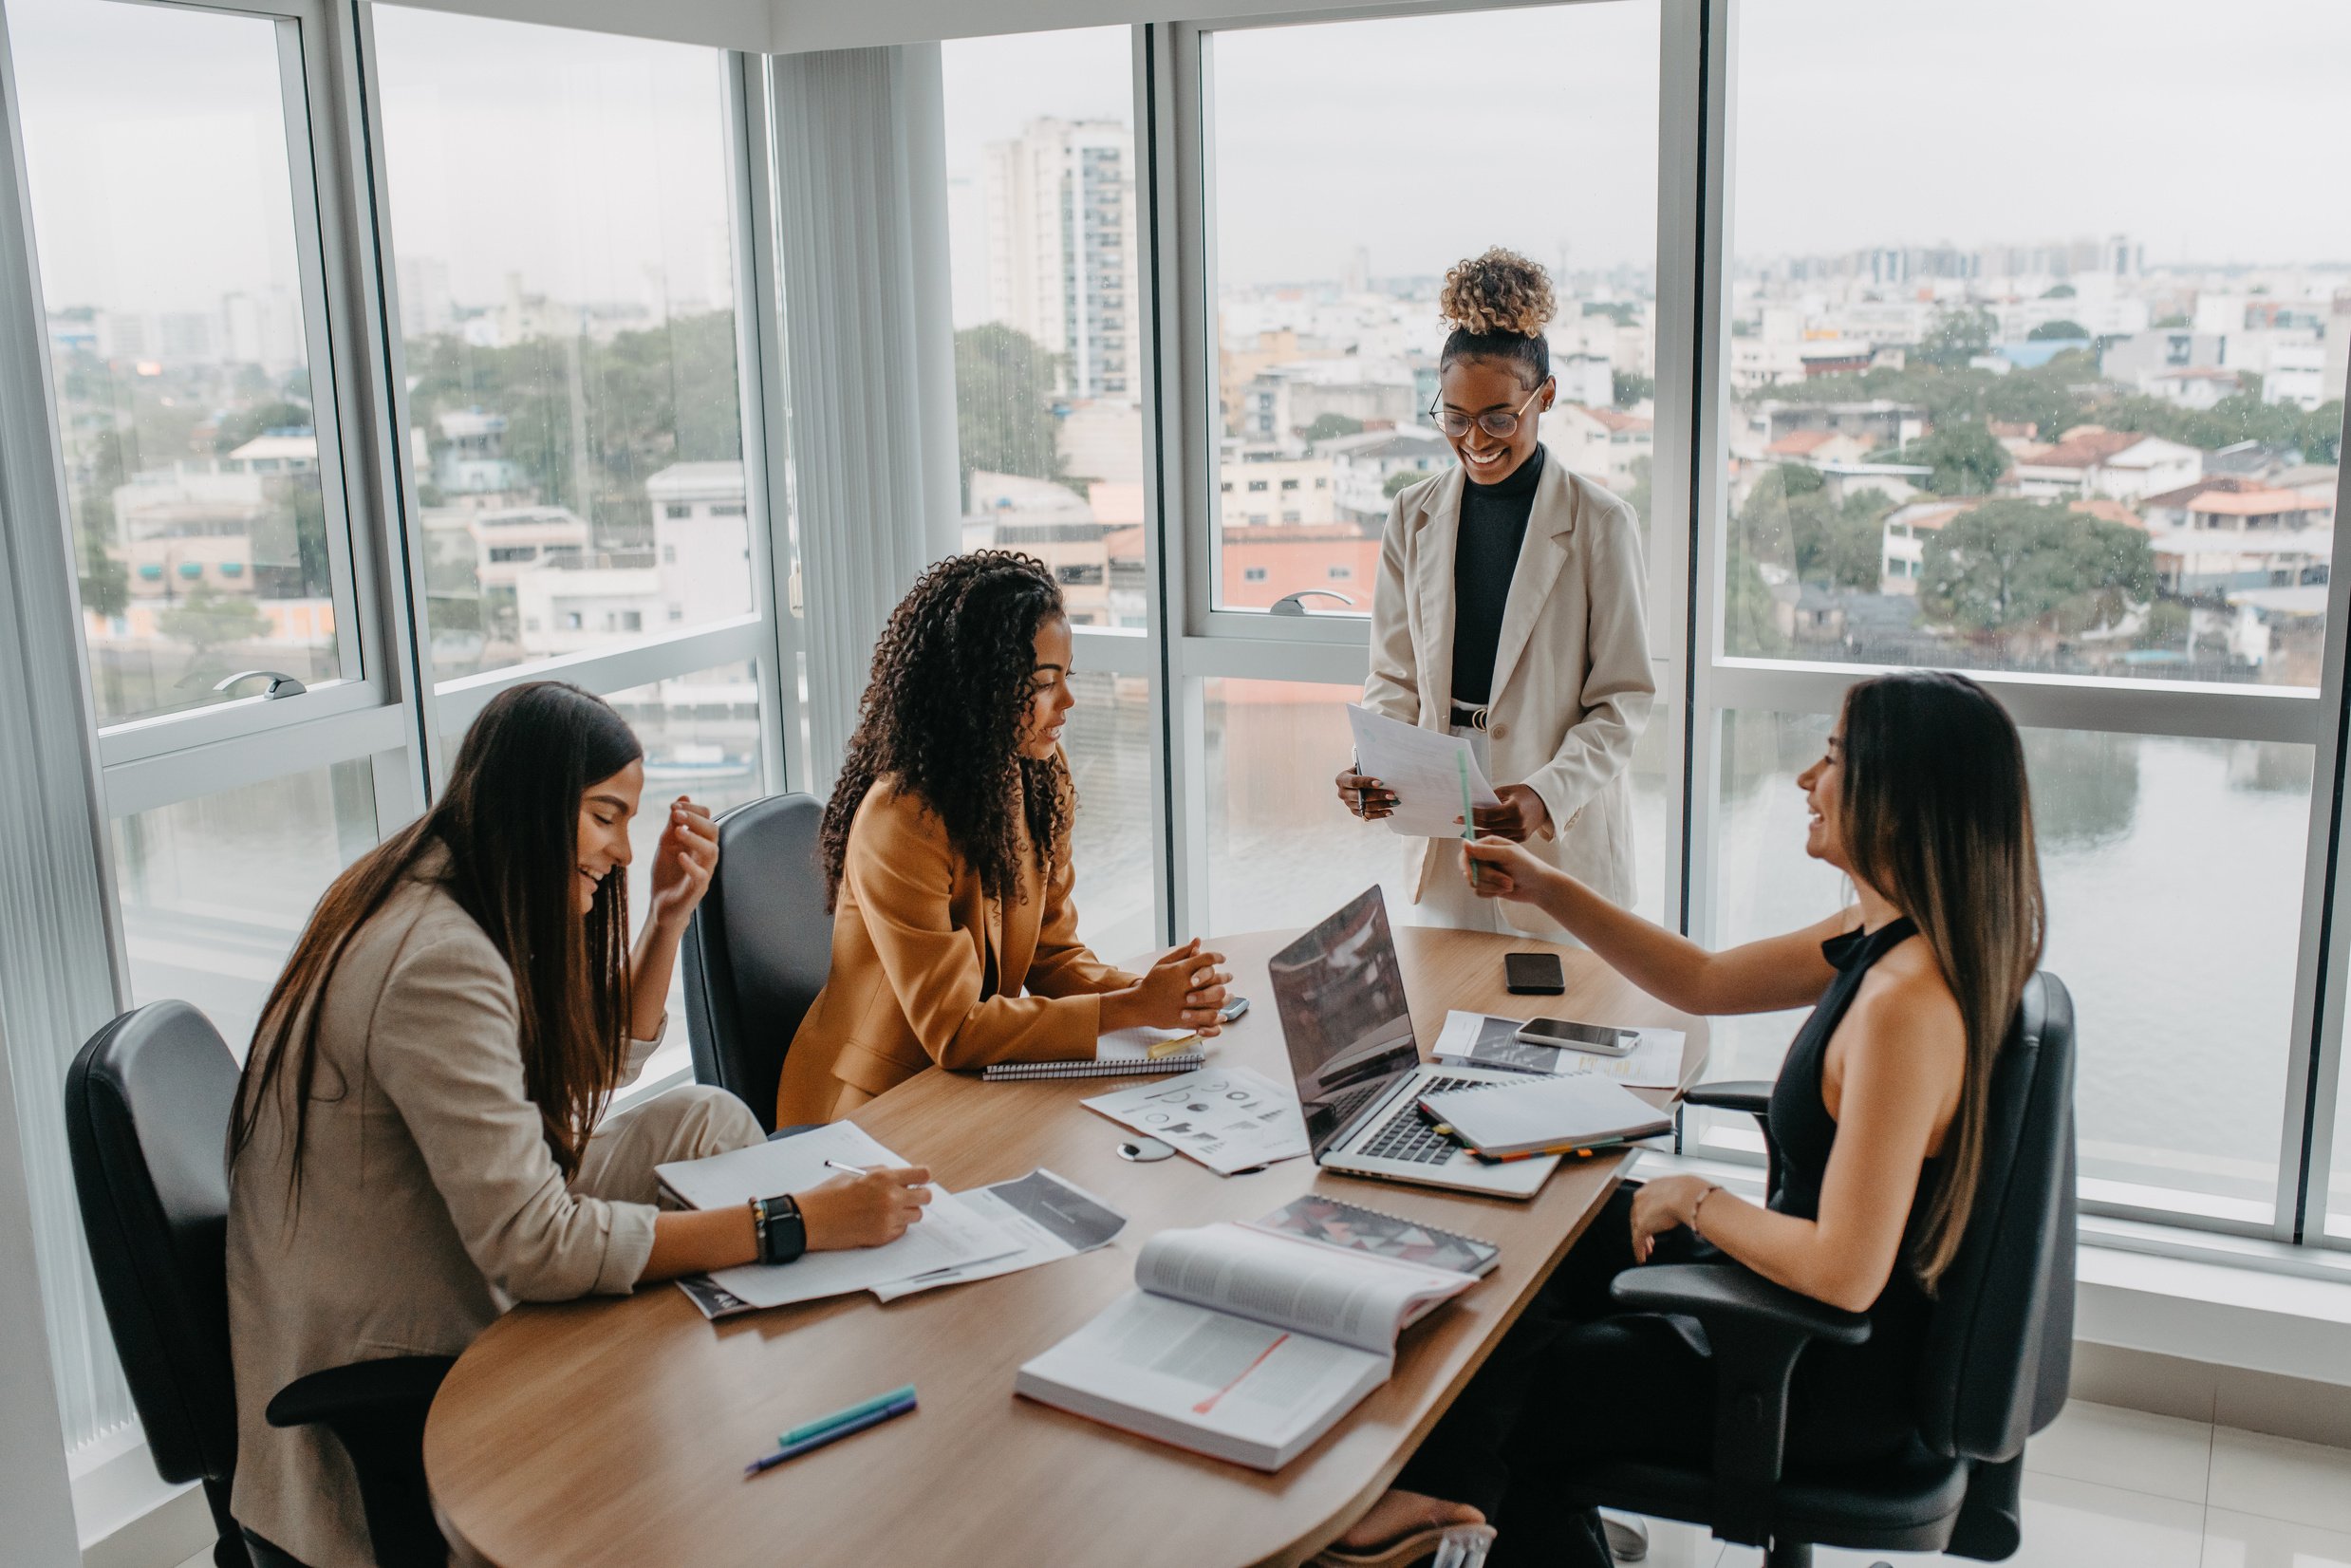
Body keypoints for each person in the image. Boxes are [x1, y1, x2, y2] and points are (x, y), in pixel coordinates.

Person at [1323, 670, 2045, 1568]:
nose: (1802, 782)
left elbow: (1848, 1272)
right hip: (1796, 1319)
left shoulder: (1906, 1004)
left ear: (1898, 795)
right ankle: (1453, 1500)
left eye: (1828, 760)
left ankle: (1448, 1503)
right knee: (1525, 1243)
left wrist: (1695, 1196)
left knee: (1486, 1380)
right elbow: (1702, 980)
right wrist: (1547, 889)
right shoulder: (1889, 932)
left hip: (1812, 1375)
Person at [226, 682, 930, 1568]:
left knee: (704, 1119)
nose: (622, 850)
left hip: (433, 1251)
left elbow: (575, 1081)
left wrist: (668, 914)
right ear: (533, 800)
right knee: (748, 1208)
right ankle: (748, 1429)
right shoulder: (435, 963)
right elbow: (536, 1246)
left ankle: (764, 1374)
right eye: (604, 816)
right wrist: (792, 1220)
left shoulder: (438, 884)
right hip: (405, 1361)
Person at [777, 551, 1233, 1125]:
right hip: (875, 1105)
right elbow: (955, 1028)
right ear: (979, 688)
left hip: (971, 1084)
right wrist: (1133, 1006)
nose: (1066, 702)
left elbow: (1051, 955)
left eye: (1068, 676)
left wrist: (1158, 994)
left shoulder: (1037, 774)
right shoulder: (901, 818)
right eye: (1044, 683)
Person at [1336, 247, 1652, 941]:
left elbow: (1623, 701)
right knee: (1445, 1017)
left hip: (1561, 845)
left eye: (1498, 419)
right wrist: (1375, 766)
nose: (1474, 440)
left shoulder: (1601, 523)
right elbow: (1392, 675)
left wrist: (1545, 794)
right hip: (1441, 827)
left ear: (1544, 398)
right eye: (1453, 418)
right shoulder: (1409, 515)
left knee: (1563, 1024)